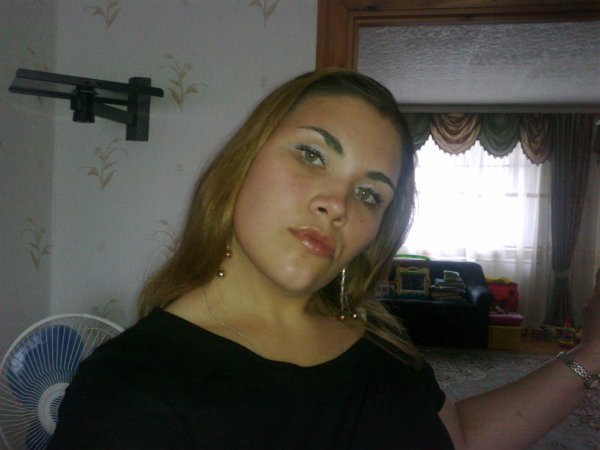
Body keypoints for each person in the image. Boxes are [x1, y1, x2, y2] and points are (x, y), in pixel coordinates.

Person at [49, 68, 600, 449]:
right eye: (312, 155)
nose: (337, 204)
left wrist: (591, 354)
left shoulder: (379, 340)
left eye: (369, 194)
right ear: (242, 163)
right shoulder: (128, 389)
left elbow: (456, 437)